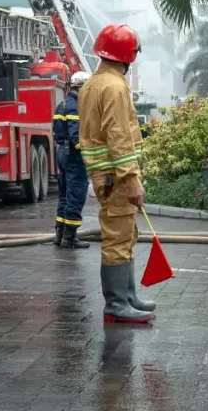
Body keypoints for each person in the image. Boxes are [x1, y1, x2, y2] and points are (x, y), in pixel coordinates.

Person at [78, 24, 155, 324]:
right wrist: (132, 179)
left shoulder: (92, 84)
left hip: (105, 175)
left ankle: (127, 297)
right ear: (128, 55)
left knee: (125, 233)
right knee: (118, 238)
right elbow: (119, 134)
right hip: (116, 176)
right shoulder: (115, 86)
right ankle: (116, 304)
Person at [53, 70, 91, 249]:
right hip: (73, 156)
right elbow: (76, 136)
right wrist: (88, 153)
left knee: (64, 194)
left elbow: (57, 131)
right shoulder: (75, 106)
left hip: (62, 152)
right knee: (76, 194)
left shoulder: (62, 103)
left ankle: (59, 234)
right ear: (81, 88)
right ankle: (70, 237)